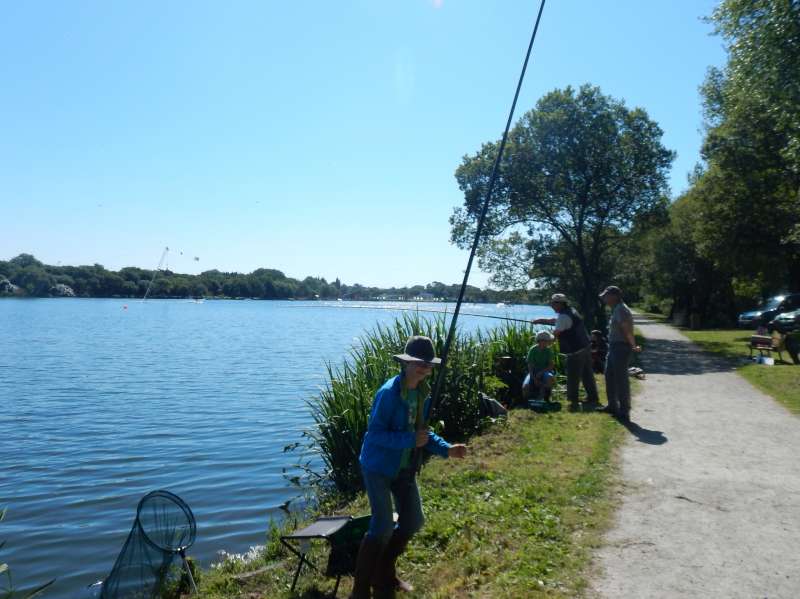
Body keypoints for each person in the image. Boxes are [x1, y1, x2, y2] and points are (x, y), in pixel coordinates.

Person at [350, 336, 468, 599]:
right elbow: (375, 434)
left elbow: (422, 433)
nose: (425, 368)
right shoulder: (388, 394)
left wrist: (447, 449)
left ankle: (385, 574)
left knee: (413, 521)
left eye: (429, 364)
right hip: (378, 466)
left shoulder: (422, 393)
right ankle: (359, 592)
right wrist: (408, 440)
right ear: (406, 363)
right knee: (382, 526)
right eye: (420, 363)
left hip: (404, 467)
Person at [532, 294, 599, 411]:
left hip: (575, 351)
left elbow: (555, 335)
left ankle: (573, 401)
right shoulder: (571, 311)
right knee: (587, 374)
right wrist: (541, 320)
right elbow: (557, 321)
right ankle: (593, 398)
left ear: (559, 304)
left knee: (572, 376)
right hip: (585, 346)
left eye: (553, 303)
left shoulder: (563, 317)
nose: (551, 305)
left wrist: (543, 343)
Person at [598, 286, 641, 423]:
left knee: (621, 380)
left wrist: (633, 345)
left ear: (614, 296)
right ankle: (612, 406)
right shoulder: (616, 308)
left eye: (606, 295)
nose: (604, 298)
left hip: (621, 347)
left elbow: (627, 330)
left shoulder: (621, 309)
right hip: (614, 346)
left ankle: (624, 411)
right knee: (609, 375)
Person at [523, 330, 556, 402]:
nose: (549, 342)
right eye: (548, 340)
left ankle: (546, 399)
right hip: (533, 372)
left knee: (549, 377)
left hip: (545, 371)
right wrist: (534, 378)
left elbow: (551, 365)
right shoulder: (533, 350)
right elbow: (530, 366)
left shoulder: (548, 351)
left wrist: (542, 372)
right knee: (525, 386)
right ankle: (528, 402)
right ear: (541, 341)